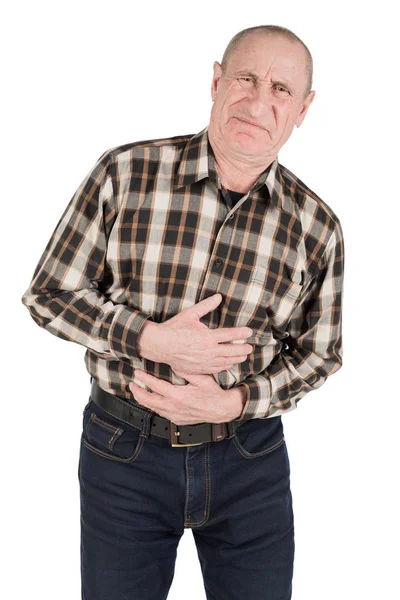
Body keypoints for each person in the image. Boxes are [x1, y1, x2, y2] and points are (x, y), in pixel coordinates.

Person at [21, 24, 344, 600]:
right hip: (124, 452)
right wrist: (147, 340)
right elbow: (49, 295)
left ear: (302, 109)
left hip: (250, 459)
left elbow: (321, 353)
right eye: (245, 78)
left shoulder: (316, 227)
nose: (258, 101)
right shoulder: (125, 172)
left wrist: (238, 401)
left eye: (281, 89)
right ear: (217, 81)